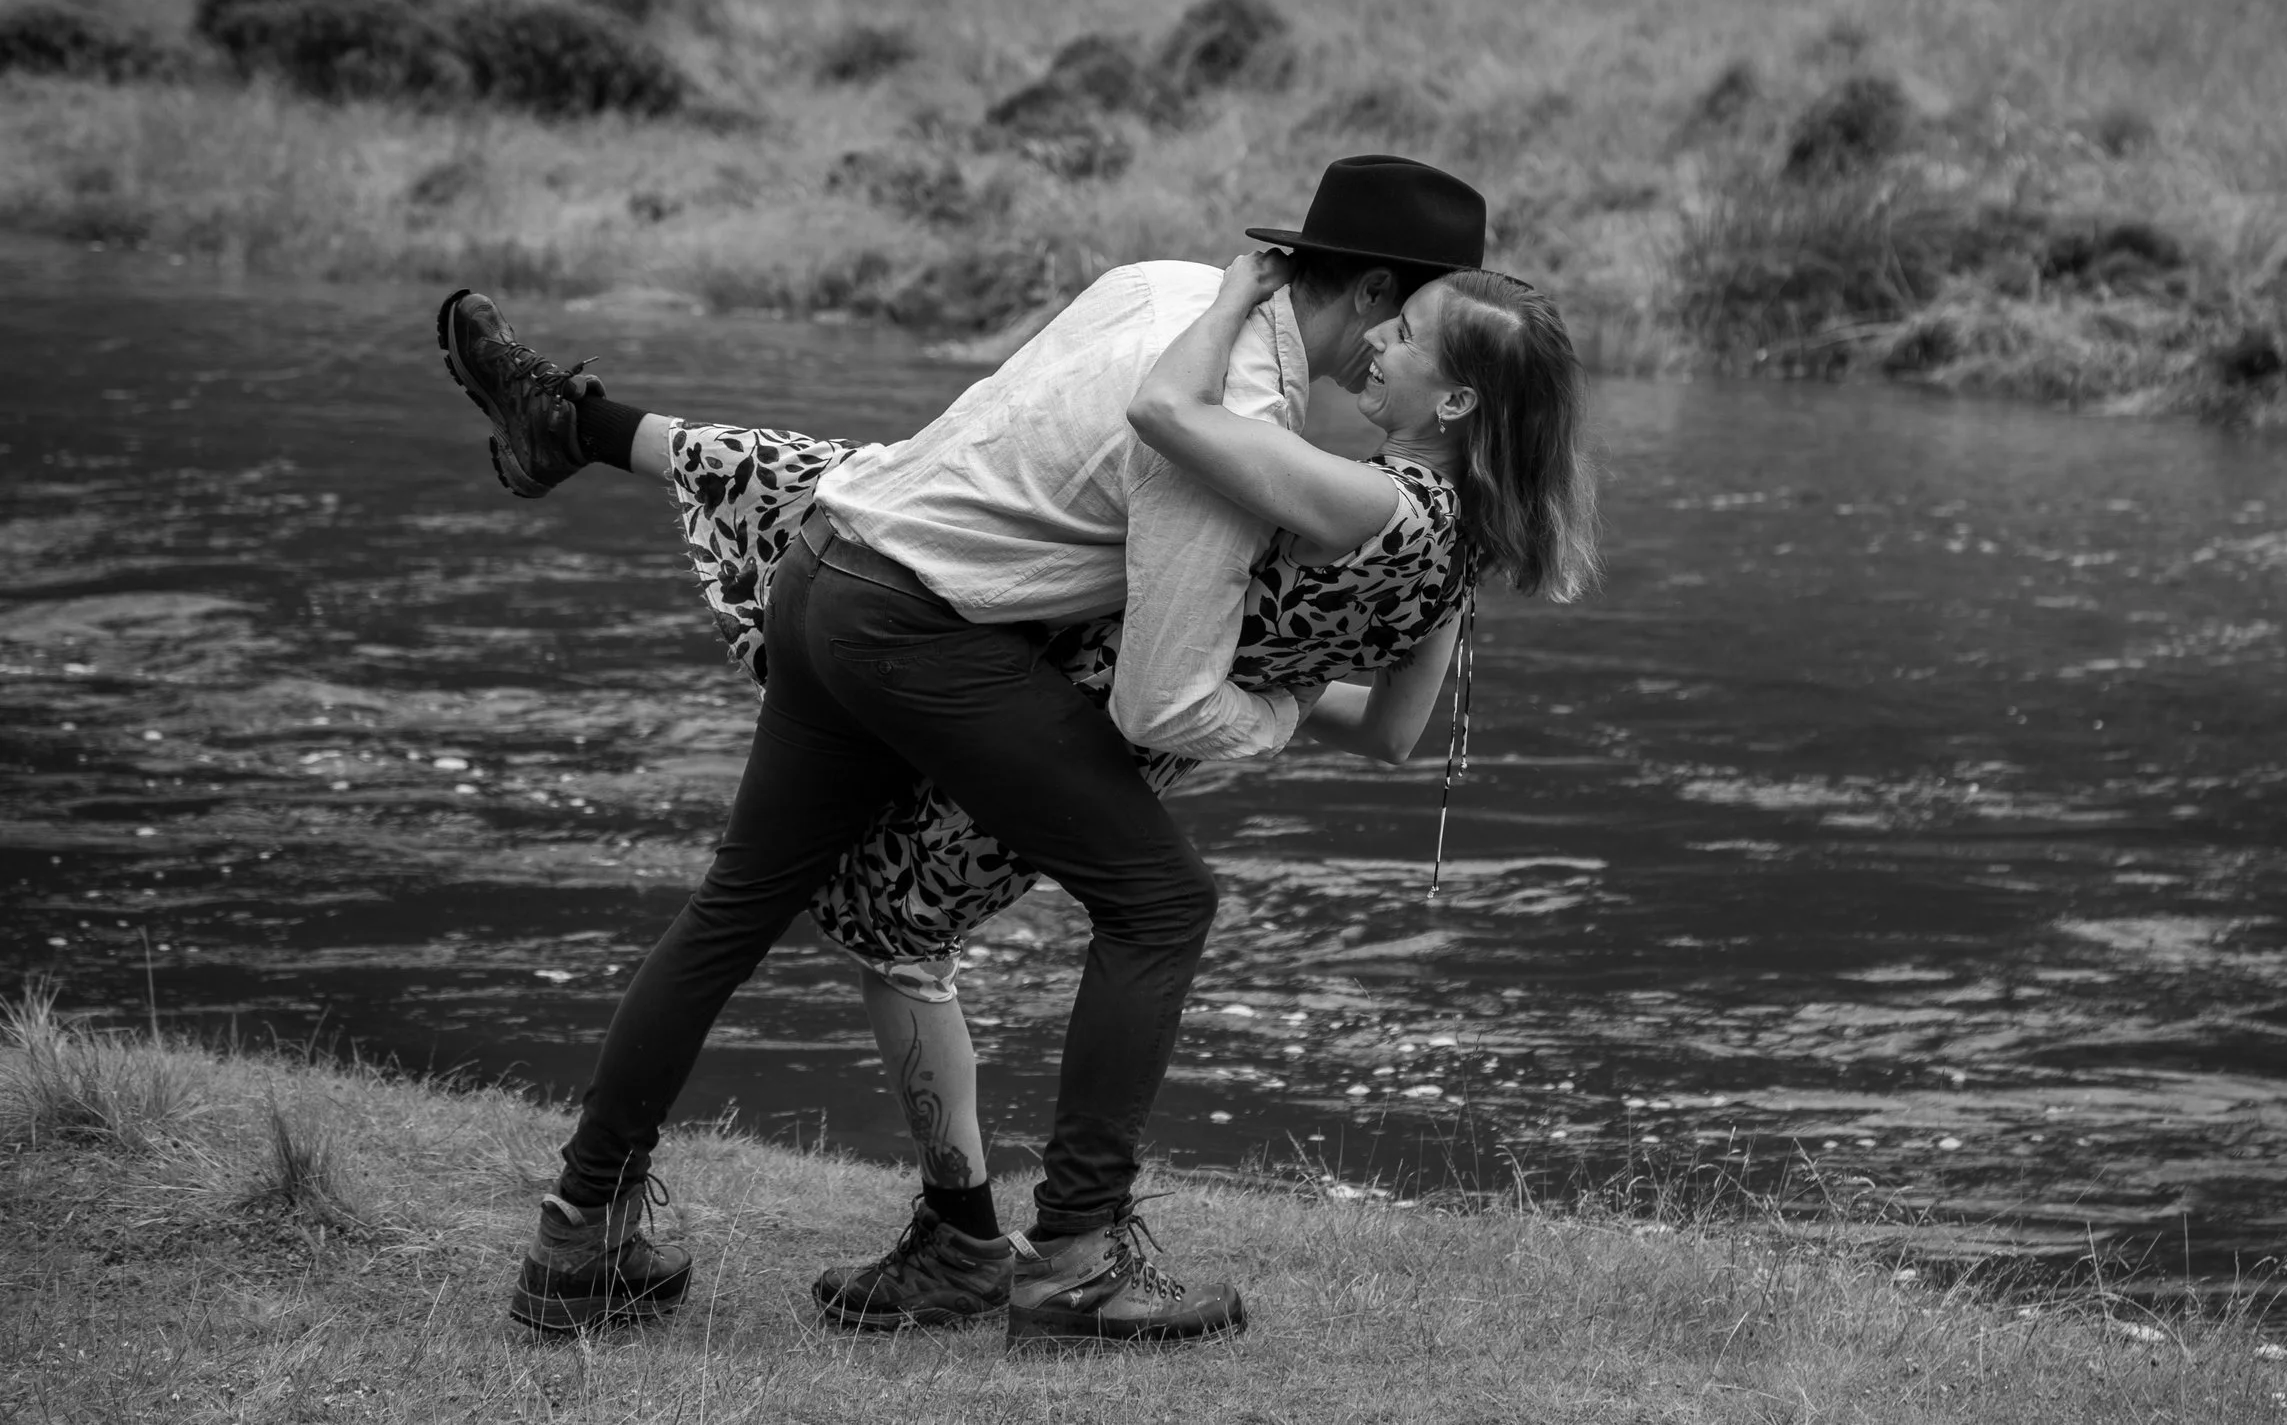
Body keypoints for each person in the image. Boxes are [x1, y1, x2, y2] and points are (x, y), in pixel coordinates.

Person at [443, 155, 1502, 1344]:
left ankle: (579, 1238)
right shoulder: (1225, 430)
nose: (1394, 353)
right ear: (1364, 294)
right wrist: (1284, 707)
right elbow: (1159, 706)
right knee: (1159, 899)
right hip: (913, 631)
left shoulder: (1164, 286)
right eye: (1407, 320)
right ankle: (1074, 1263)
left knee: (731, 910)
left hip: (829, 569)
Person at [629, 251, 1594, 1336]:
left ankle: (1032, 1248)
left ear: (1455, 400)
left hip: (1053, 712)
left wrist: (1241, 292)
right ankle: (989, 1245)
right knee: (899, 908)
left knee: (899, 914)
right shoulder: (1461, 550)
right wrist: (1260, 698)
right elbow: (1392, 733)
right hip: (1129, 746)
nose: (1377, 342)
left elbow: (1164, 407)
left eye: (1408, 336)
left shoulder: (1367, 497)